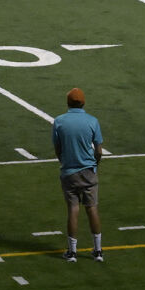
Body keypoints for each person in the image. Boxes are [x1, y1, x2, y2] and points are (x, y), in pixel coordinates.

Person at [53, 87, 103, 263]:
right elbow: (98, 149)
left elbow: (58, 149)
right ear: (83, 102)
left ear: (68, 102)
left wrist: (65, 163)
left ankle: (72, 252)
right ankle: (98, 251)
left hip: (69, 172)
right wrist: (94, 165)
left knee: (73, 210)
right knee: (92, 208)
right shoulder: (92, 121)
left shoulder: (59, 121)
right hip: (89, 171)